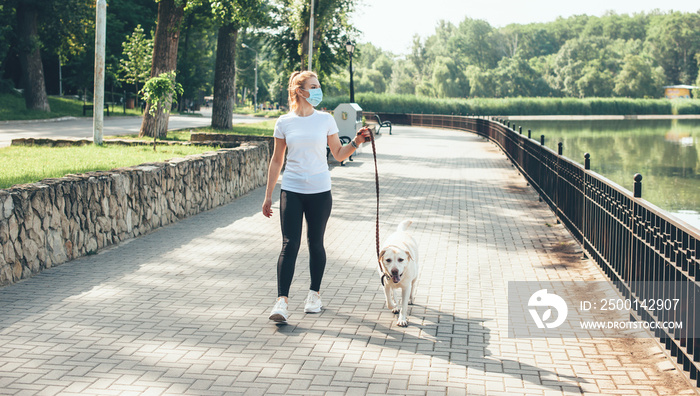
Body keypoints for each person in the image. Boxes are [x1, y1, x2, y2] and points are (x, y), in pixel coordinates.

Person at [262, 70, 370, 323]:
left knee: (315, 243)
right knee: (290, 244)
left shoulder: (325, 120)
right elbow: (277, 160)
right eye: (314, 86)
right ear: (300, 91)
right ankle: (281, 302)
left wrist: (356, 142)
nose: (318, 90)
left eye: (318, 85)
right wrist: (269, 195)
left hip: (320, 191)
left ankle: (314, 295)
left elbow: (338, 154)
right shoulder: (284, 122)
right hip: (292, 189)